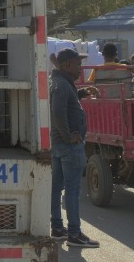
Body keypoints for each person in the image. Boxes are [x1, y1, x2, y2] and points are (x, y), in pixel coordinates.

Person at [50, 48, 100, 248]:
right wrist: (69, 136)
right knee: (72, 190)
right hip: (69, 146)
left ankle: (57, 228)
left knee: (57, 188)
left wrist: (81, 92)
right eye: (78, 63)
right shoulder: (62, 85)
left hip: (60, 145)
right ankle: (74, 233)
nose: (80, 67)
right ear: (67, 65)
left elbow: (64, 105)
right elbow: (57, 112)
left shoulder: (63, 84)